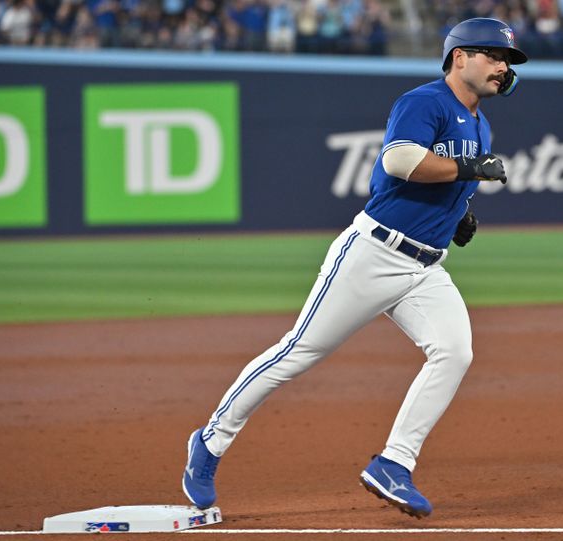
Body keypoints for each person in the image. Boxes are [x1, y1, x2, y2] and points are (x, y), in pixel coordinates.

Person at [182, 17, 527, 518]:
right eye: (494, 56)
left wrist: (459, 213)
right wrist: (469, 169)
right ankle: (210, 442)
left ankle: (394, 464)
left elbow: (441, 179)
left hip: (427, 268)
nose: (502, 67)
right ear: (459, 57)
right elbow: (400, 162)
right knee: (298, 352)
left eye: (507, 61)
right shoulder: (424, 102)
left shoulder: (480, 122)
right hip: (374, 255)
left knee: (454, 352)